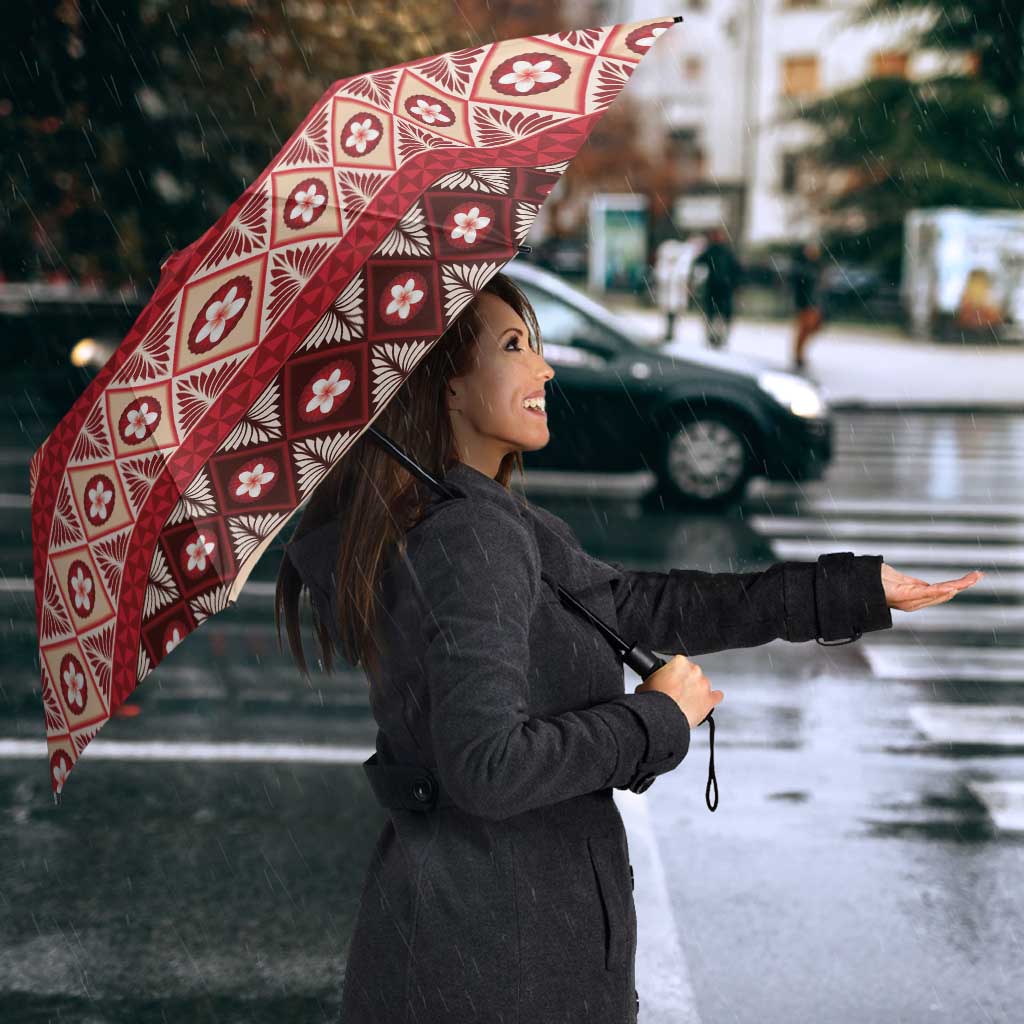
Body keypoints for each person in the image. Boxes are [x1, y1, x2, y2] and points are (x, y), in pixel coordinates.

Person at [277, 271, 979, 1024]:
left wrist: (849, 591)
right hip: (501, 963)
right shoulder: (471, 536)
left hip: (473, 941)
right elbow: (488, 767)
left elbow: (639, 605)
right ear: (446, 384)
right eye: (514, 347)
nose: (545, 369)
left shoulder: (469, 518)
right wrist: (655, 719)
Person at [692, 226, 742, 349]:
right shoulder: (714, 251)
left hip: (722, 289)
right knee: (714, 314)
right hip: (716, 288)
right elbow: (698, 263)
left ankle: (719, 337)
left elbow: (736, 270)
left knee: (719, 315)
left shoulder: (724, 252)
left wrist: (735, 284)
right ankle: (713, 337)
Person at [790, 239, 826, 370]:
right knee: (804, 329)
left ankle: (799, 354)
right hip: (805, 303)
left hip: (814, 303)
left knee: (812, 327)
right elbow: (799, 286)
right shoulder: (802, 267)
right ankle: (798, 355)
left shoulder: (816, 266)